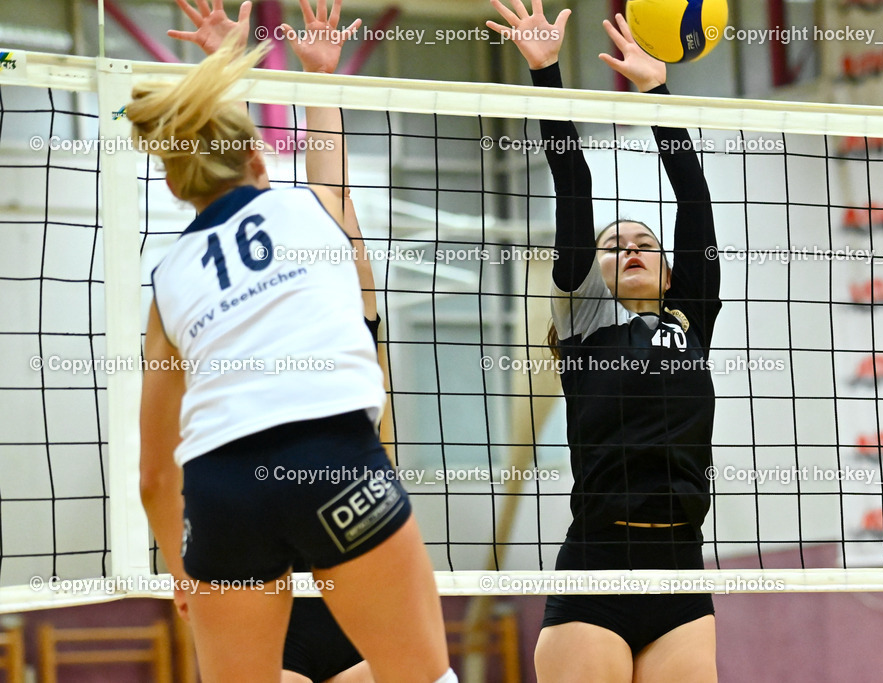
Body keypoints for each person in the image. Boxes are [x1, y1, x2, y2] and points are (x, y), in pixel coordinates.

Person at [134, 14, 454, 683]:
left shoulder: (169, 282)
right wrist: (316, 76)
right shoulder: (312, 213)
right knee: (423, 675)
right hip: (331, 459)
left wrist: (182, 567)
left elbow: (154, 476)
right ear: (259, 159)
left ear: (173, 185)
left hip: (222, 492)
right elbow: (328, 177)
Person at [487, 2, 721, 681]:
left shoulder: (691, 320)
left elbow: (694, 200)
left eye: (645, 242)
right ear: (595, 269)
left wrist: (657, 92)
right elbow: (574, 181)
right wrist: (545, 71)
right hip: (597, 565)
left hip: (681, 569)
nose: (632, 248)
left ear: (672, 269)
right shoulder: (587, 320)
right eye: (615, 247)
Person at [166, 2, 375, 681]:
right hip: (264, 580)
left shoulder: (348, 313)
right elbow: (236, 185)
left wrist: (314, 82)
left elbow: (329, 197)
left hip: (350, 581)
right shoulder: (214, 320)